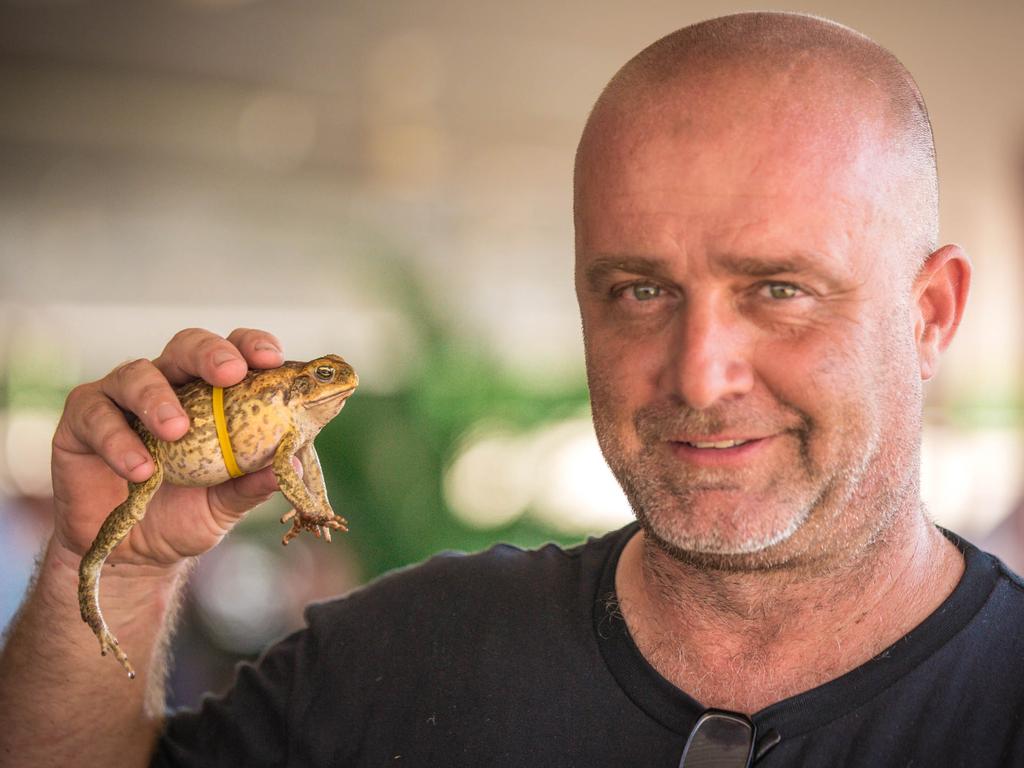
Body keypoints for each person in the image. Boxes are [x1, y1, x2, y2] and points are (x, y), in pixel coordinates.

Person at [2, 10, 1022, 767]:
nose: (697, 373)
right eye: (637, 289)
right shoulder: (396, 658)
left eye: (781, 289)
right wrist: (122, 567)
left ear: (929, 313)